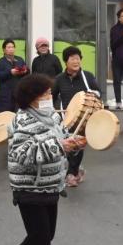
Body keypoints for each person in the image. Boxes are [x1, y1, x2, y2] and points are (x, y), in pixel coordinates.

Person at [0, 74, 86, 245]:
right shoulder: (23, 121)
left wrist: (73, 143)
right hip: (29, 188)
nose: (49, 97)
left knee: (45, 236)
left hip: (50, 185)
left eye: (49, 93)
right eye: (45, 94)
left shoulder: (53, 117)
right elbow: (21, 154)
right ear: (32, 98)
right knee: (41, 241)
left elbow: (62, 139)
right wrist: (58, 146)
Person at [51, 46, 100, 188]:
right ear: (66, 61)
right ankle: (75, 171)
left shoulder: (88, 77)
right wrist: (55, 111)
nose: (75, 61)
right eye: (72, 58)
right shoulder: (59, 79)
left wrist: (94, 98)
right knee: (69, 146)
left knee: (78, 145)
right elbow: (52, 97)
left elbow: (98, 92)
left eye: (78, 58)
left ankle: (71, 174)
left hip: (84, 118)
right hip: (66, 117)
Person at [0, 39, 28, 112]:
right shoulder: (0, 62)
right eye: (9, 47)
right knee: (6, 118)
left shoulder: (19, 59)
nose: (11, 49)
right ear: (4, 50)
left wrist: (25, 71)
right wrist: (10, 72)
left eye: (13, 47)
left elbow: (26, 72)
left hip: (18, 95)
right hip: (5, 97)